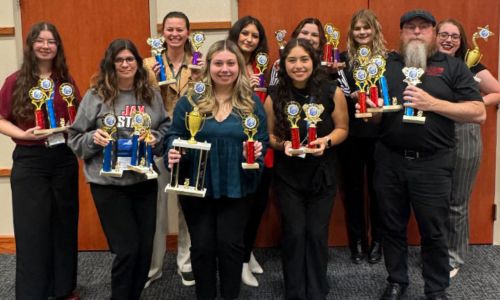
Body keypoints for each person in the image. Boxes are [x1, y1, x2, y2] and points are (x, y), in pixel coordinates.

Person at [372, 10, 486, 300]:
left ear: (434, 33)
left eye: (424, 27)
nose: (417, 33)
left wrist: (432, 103)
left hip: (433, 163)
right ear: (401, 34)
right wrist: (370, 113)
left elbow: (478, 111)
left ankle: (436, 289)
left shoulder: (452, 66)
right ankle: (396, 281)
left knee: (434, 231)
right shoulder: (385, 65)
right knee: (392, 226)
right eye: (410, 28)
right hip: (389, 159)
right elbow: (372, 111)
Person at [67, 39, 169, 300]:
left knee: (145, 250)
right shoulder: (96, 95)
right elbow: (75, 138)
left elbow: (166, 128)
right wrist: (94, 139)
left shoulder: (150, 93)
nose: (125, 64)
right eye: (119, 60)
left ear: (138, 62)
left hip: (143, 181)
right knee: (127, 250)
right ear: (110, 65)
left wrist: (155, 138)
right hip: (108, 184)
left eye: (130, 59)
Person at [166, 39, 268, 300]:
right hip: (197, 186)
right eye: (219, 63)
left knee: (231, 246)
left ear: (240, 66)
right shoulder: (190, 102)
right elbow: (173, 135)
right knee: (201, 247)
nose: (225, 69)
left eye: (231, 63)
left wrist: (258, 150)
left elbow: (263, 139)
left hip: (238, 185)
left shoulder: (252, 103)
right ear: (209, 65)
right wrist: (173, 151)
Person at [0, 22, 80, 300]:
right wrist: (23, 133)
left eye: (52, 41)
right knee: (32, 229)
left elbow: (78, 118)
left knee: (64, 225)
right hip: (30, 161)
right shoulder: (14, 81)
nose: (46, 46)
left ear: (58, 47)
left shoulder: (65, 82)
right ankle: (32, 293)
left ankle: (64, 288)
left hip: (62, 160)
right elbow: (0, 119)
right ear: (31, 45)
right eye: (41, 40)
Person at [264, 38, 348, 299]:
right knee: (295, 233)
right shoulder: (274, 95)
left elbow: (343, 129)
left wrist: (326, 140)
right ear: (283, 64)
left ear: (313, 61)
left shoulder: (331, 90)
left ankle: (317, 290)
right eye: (292, 60)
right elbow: (269, 136)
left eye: (304, 59)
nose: (298, 66)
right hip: (289, 175)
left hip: (322, 174)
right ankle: (295, 292)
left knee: (315, 233)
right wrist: (284, 144)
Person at [435, 18, 500, 278]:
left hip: (466, 138)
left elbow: (497, 91)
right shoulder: (428, 65)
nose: (448, 40)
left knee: (458, 201)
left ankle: (454, 257)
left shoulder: (472, 65)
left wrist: (474, 103)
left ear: (462, 41)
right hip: (435, 138)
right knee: (436, 200)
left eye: (454, 36)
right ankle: (437, 251)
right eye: (444, 34)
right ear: (435, 36)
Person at [143, 10, 202, 288]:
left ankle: (185, 262)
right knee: (156, 207)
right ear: (162, 32)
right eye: (170, 29)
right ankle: (153, 267)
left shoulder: (199, 63)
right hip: (157, 140)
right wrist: (151, 80)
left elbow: (209, 98)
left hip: (189, 139)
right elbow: (141, 101)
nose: (175, 34)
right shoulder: (147, 65)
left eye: (180, 29)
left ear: (188, 32)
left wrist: (201, 79)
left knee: (186, 205)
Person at [337, 9, 386, 264]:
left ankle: (378, 241)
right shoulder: (342, 61)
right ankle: (357, 242)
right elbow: (336, 94)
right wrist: (352, 96)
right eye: (357, 28)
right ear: (351, 32)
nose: (362, 32)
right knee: (353, 190)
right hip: (352, 135)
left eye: (366, 27)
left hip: (380, 135)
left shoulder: (387, 60)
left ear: (375, 29)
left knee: (378, 191)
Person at [227, 15, 271, 287]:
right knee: (240, 206)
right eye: (245, 33)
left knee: (258, 203)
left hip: (261, 144)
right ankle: (239, 260)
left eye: (254, 36)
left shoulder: (263, 66)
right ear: (236, 34)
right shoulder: (225, 62)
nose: (249, 39)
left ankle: (247, 252)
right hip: (234, 145)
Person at [269, 18, 327, 90]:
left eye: (314, 35)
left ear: (320, 40)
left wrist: (333, 74)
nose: (309, 38)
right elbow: (273, 92)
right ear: (296, 35)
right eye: (305, 33)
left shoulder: (329, 63)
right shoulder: (279, 64)